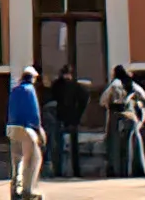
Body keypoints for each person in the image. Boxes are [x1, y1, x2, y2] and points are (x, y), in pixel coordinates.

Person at [100, 65, 145, 177]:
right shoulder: (132, 84)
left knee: (115, 144)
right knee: (133, 143)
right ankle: (136, 170)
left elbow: (103, 100)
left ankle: (117, 170)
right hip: (131, 116)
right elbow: (143, 95)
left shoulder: (115, 84)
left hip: (116, 117)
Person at [7, 66, 44, 200]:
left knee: (17, 160)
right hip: (26, 128)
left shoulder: (15, 90)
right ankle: (28, 190)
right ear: (32, 78)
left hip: (11, 127)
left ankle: (14, 190)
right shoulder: (30, 90)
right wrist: (39, 130)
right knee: (33, 159)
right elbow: (34, 112)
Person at [50, 64, 90, 178]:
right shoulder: (75, 86)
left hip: (60, 117)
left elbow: (50, 99)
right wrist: (79, 113)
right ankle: (75, 171)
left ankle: (59, 171)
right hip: (72, 118)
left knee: (59, 146)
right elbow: (85, 98)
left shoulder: (57, 85)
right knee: (73, 147)